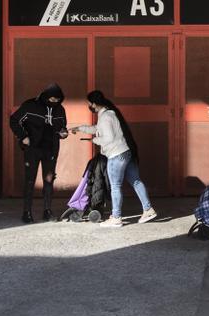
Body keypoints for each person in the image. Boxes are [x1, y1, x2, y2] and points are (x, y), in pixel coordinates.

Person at [71, 91, 157, 228]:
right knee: (136, 181)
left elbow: (108, 138)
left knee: (115, 186)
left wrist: (95, 140)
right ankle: (148, 210)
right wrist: (80, 128)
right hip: (126, 152)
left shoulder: (105, 117)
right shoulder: (109, 113)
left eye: (89, 104)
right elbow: (97, 129)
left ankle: (116, 217)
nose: (89, 106)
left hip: (116, 155)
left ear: (94, 104)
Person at [9, 83, 68, 223]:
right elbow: (14, 120)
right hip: (33, 149)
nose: (54, 102)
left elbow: (62, 126)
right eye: (52, 99)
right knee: (30, 180)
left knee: (49, 180)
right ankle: (27, 212)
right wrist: (23, 137)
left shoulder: (60, 109)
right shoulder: (30, 106)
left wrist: (63, 133)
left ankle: (47, 211)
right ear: (46, 96)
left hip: (51, 149)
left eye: (57, 100)